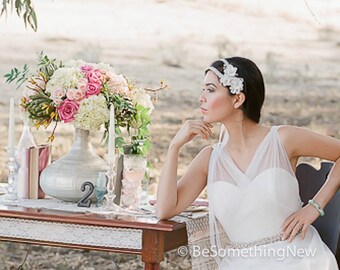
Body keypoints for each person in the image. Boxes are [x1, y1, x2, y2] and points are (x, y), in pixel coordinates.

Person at [156, 57, 339, 269]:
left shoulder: (283, 139)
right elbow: (165, 210)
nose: (201, 98)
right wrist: (174, 147)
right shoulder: (209, 159)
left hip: (298, 259)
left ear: (237, 99)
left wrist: (314, 207)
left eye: (210, 90)